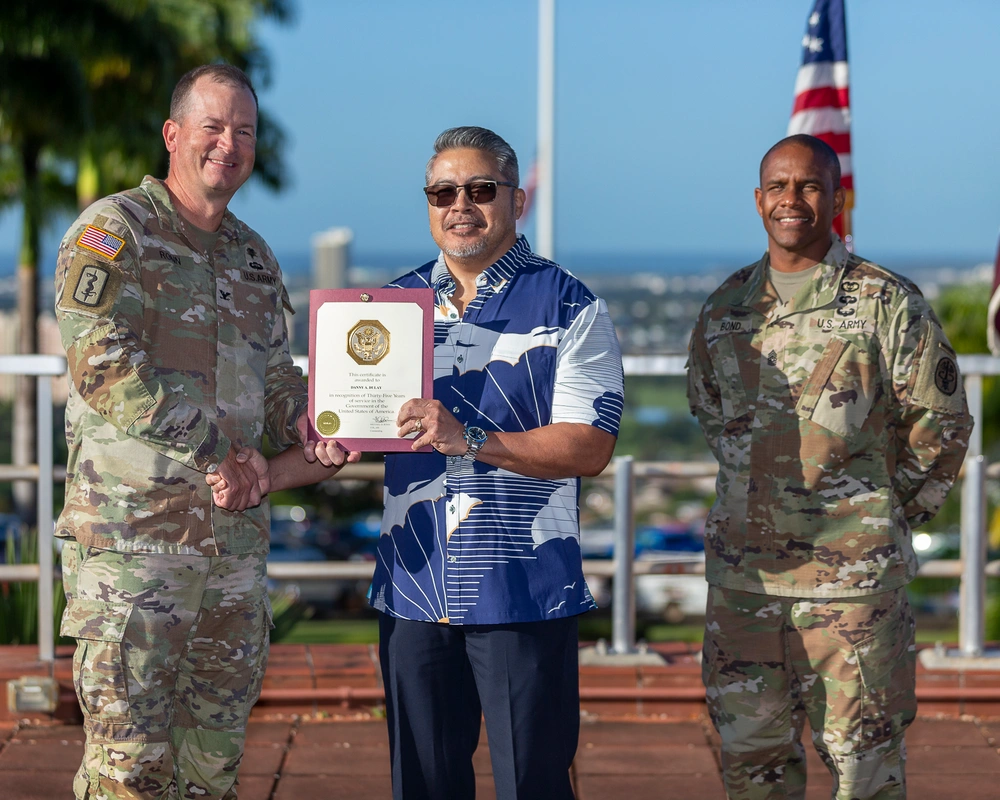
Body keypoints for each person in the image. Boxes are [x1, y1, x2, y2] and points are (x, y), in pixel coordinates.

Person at [317, 126, 622, 800]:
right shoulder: (387, 309)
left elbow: (592, 445)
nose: (462, 204)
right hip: (413, 589)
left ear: (516, 199)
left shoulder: (570, 305)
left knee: (532, 787)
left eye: (481, 189)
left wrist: (472, 437)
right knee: (422, 787)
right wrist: (314, 446)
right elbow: (346, 426)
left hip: (523, 592)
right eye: (443, 191)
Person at [53, 64, 326, 800]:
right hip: (135, 555)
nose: (227, 144)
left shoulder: (255, 258)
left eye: (244, 131)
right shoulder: (116, 232)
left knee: (212, 768)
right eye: (212, 126)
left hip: (231, 559)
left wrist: (313, 422)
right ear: (174, 134)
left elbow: (276, 379)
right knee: (130, 772)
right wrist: (216, 452)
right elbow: (99, 358)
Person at [687, 134, 973, 800]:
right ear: (758, 201)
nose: (793, 200)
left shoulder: (886, 302)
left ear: (838, 197)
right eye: (779, 187)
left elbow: (942, 425)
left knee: (863, 770)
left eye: (810, 186)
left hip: (852, 592)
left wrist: (878, 511)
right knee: (750, 763)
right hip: (745, 586)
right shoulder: (727, 309)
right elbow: (711, 414)